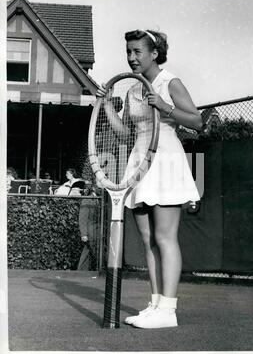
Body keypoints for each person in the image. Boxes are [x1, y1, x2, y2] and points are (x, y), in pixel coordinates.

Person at [97, 29, 202, 328]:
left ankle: (169, 310)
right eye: (128, 52)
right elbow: (127, 133)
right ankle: (156, 305)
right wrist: (106, 105)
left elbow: (197, 121)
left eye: (137, 52)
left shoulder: (171, 82)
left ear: (154, 53)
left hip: (166, 159)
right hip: (139, 162)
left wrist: (164, 106)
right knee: (147, 239)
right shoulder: (132, 90)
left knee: (164, 237)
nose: (131, 58)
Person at [77, 186, 101, 270]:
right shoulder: (87, 200)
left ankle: (81, 271)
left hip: (96, 231)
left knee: (87, 252)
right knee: (94, 252)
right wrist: (84, 234)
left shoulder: (98, 199)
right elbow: (82, 218)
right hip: (91, 232)